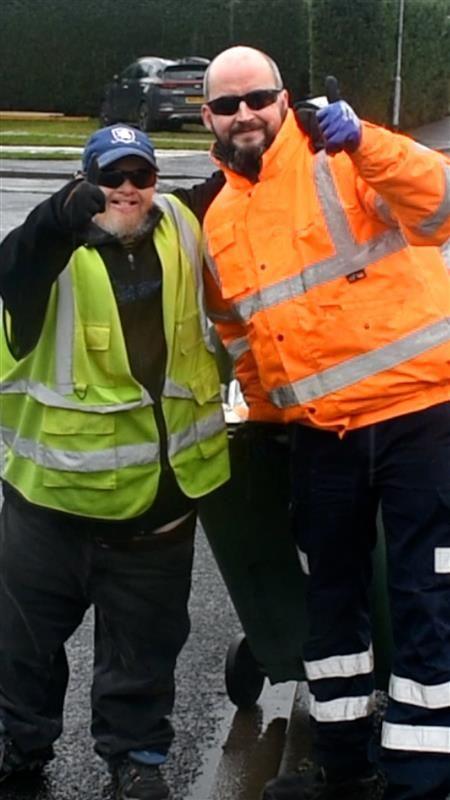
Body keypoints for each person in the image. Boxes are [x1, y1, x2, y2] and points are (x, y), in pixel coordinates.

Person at [201, 46, 450, 800]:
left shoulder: (343, 160)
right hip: (321, 440)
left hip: (418, 418)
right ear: (207, 117)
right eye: (227, 104)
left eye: (259, 97)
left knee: (423, 600)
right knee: (332, 603)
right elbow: (243, 336)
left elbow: (437, 208)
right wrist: (271, 419)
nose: (245, 113)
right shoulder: (219, 218)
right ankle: (342, 765)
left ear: (285, 101)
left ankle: (422, 777)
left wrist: (366, 139)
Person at [0, 123, 230, 800]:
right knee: (24, 648)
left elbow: (236, 179)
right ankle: (20, 750)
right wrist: (57, 216)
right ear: (85, 181)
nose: (127, 190)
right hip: (50, 505)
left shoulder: (179, 226)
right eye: (111, 177)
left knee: (145, 649)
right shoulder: (51, 254)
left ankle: (138, 759)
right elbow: (14, 262)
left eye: (140, 176)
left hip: (159, 501)